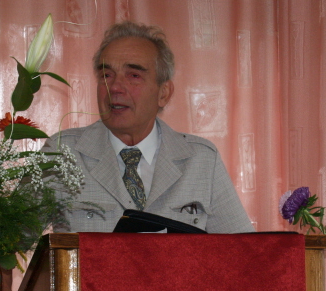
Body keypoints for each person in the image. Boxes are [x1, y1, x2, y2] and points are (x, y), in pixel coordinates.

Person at [42, 21, 253, 234]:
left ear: (163, 93)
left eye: (133, 76)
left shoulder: (201, 160)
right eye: (106, 75)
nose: (114, 87)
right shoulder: (62, 153)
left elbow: (243, 248)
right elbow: (20, 238)